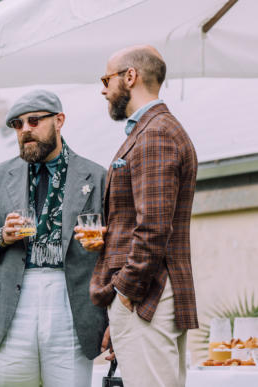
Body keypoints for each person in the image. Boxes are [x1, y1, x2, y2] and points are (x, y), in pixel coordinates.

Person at [0, 90, 108, 387]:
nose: (25, 130)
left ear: (59, 120)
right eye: (17, 125)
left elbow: (118, 244)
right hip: (14, 303)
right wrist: (1, 236)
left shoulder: (96, 176)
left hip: (73, 303)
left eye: (34, 121)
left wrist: (103, 242)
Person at [80, 46, 198, 387]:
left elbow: (154, 228)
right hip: (149, 297)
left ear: (130, 77)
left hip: (147, 297)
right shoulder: (151, 131)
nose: (103, 89)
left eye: (107, 79)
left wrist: (126, 293)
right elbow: (145, 219)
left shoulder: (155, 134)